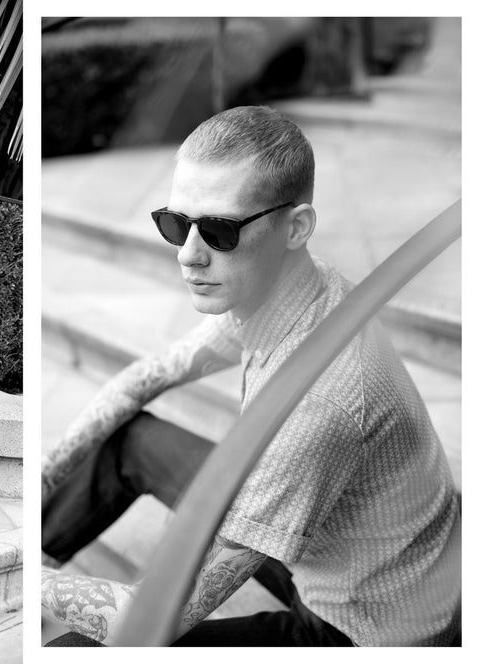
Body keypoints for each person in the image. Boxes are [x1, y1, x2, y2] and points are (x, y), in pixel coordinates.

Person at [41, 106, 460, 646]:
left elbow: (143, 620)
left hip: (366, 626)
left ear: (296, 228)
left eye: (218, 231)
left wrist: (29, 579)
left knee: (86, 648)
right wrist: (48, 474)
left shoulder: (322, 405)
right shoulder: (288, 291)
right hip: (329, 547)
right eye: (175, 223)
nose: (187, 256)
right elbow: (147, 376)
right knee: (127, 437)